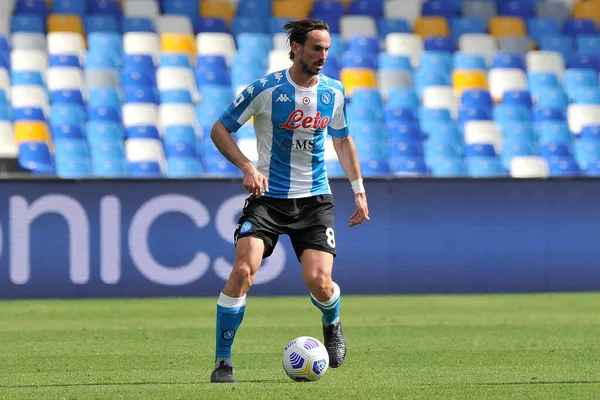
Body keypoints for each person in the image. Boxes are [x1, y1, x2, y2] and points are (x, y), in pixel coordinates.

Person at [209, 19, 370, 383]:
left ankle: (332, 321)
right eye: (316, 48)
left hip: (314, 200)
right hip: (268, 199)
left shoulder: (333, 92)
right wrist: (247, 165)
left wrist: (359, 190)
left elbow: (343, 140)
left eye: (327, 49)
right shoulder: (266, 90)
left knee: (321, 284)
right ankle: (223, 362)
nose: (323, 56)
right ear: (295, 48)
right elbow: (220, 129)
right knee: (242, 272)